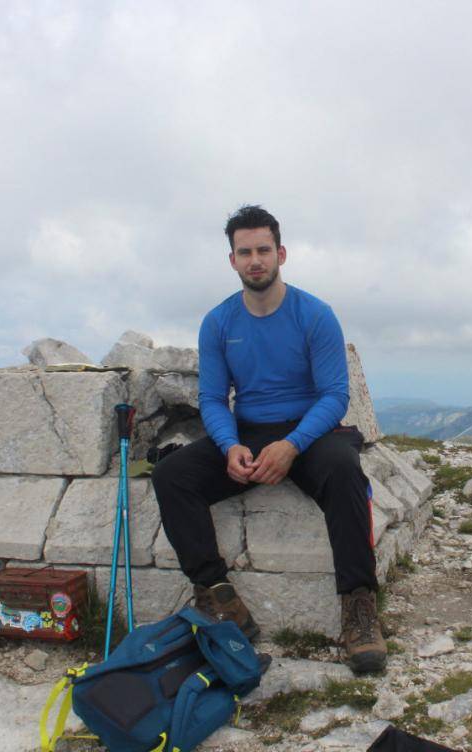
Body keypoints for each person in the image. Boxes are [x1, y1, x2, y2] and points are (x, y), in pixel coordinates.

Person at [151, 205, 386, 674]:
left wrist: (292, 445)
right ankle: (217, 595)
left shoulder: (315, 315)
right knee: (172, 474)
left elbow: (335, 396)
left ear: (281, 254)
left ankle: (359, 606)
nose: (255, 260)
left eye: (263, 250)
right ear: (232, 261)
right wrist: (229, 446)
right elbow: (213, 398)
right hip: (249, 432)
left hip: (312, 431)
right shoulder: (218, 322)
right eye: (245, 252)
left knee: (344, 471)